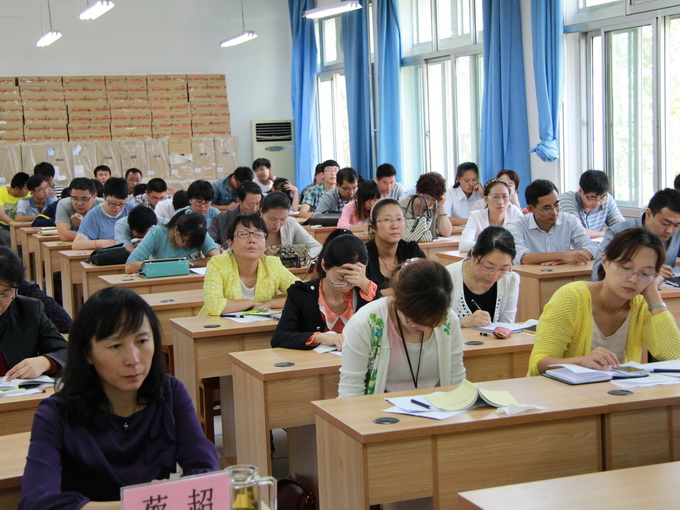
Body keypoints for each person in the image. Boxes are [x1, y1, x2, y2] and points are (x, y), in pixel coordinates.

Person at [19, 287, 219, 509]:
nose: (133, 359)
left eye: (142, 341)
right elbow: (36, 502)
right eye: (116, 346)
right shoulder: (56, 413)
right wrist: (139, 504)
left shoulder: (169, 392)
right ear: (87, 353)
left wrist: (168, 495)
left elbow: (206, 471)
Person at [528, 228, 680, 376]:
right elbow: (539, 363)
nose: (633, 279)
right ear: (605, 261)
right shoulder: (571, 297)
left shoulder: (641, 305)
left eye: (645, 273)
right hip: (562, 390)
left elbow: (675, 356)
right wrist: (580, 361)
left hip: (618, 389)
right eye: (626, 268)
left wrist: (653, 296)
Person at [339, 259, 465, 397]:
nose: (423, 329)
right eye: (414, 321)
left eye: (432, 323)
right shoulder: (365, 323)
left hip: (435, 405)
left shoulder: (448, 320)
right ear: (395, 297)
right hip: (380, 408)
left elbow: (456, 381)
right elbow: (351, 392)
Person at [271, 233, 378, 350]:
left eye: (353, 278)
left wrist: (366, 285)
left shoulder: (365, 291)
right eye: (341, 277)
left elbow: (386, 326)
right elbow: (279, 338)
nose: (346, 285)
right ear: (324, 265)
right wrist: (320, 337)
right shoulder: (302, 293)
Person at [200, 213, 298, 315]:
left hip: (259, 323)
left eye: (258, 235)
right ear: (230, 244)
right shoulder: (218, 264)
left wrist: (270, 304)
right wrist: (252, 303)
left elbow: (303, 294)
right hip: (217, 324)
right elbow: (214, 305)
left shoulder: (272, 265)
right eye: (243, 234)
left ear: (265, 245)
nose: (252, 240)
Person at [0, 247, 67, 380]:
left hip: (16, 391)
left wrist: (45, 362)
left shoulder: (30, 310)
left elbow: (65, 352)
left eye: (5, 294)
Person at [592, 188, 680, 281]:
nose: (670, 231)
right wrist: (648, 272)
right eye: (665, 223)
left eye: (676, 225)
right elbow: (597, 275)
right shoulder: (619, 233)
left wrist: (672, 272)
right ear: (649, 214)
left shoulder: (676, 232)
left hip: (663, 288)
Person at [507, 179, 597, 265]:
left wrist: (574, 257)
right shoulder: (516, 226)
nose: (554, 212)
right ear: (531, 209)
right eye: (547, 208)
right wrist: (561, 256)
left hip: (563, 272)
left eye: (556, 205)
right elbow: (520, 257)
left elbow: (592, 247)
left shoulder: (569, 220)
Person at [446, 226, 519, 327]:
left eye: (503, 269)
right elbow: (431, 326)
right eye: (488, 267)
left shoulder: (510, 280)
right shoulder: (446, 277)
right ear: (473, 255)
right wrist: (462, 322)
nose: (494, 276)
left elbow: (507, 326)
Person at [126, 211, 220, 273]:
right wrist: (172, 266)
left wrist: (189, 264)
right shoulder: (157, 234)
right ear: (176, 230)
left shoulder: (199, 232)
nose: (188, 247)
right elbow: (130, 266)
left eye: (193, 245)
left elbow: (217, 259)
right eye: (185, 242)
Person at [365, 198, 425, 291]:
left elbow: (428, 284)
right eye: (387, 220)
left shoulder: (412, 250)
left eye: (399, 219)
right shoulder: (362, 255)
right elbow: (360, 294)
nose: (395, 226)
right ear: (373, 227)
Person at [459, 179, 522, 252]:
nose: (501, 202)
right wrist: (496, 245)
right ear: (485, 199)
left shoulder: (514, 212)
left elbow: (524, 242)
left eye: (505, 197)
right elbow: (463, 245)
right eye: (495, 197)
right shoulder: (476, 216)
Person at [73, 177, 135, 250]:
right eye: (112, 203)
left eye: (121, 203)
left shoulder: (133, 209)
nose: (117, 207)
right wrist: (98, 243)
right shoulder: (94, 215)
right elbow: (76, 244)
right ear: (104, 196)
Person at [560, 170, 624, 239]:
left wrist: (618, 228)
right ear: (580, 191)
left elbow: (621, 227)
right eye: (593, 197)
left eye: (601, 197)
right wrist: (608, 233)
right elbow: (577, 232)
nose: (597, 202)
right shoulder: (567, 200)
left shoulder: (607, 199)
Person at [260, 192, 321, 259]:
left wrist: (298, 259)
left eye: (282, 219)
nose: (277, 224)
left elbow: (317, 247)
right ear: (261, 212)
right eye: (272, 219)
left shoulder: (290, 223)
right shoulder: (252, 227)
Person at [399, 172, 454, 239]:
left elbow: (446, 233)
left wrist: (441, 206)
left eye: (433, 199)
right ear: (417, 192)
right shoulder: (399, 207)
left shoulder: (436, 206)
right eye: (426, 198)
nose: (428, 203)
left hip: (430, 245)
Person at [209, 181, 263, 246]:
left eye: (257, 203)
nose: (254, 209)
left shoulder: (263, 219)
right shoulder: (221, 219)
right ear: (238, 201)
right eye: (250, 204)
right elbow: (209, 241)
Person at [55, 178, 104, 242]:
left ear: (94, 196)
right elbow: (64, 235)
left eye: (84, 199)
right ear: (70, 193)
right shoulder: (64, 204)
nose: (79, 203)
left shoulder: (102, 205)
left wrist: (83, 224)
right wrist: (93, 234)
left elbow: (108, 235)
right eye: (75, 198)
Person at [0, 171, 29, 243]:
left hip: (21, 225)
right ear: (17, 189)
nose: (28, 191)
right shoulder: (1, 193)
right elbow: (1, 214)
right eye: (26, 189)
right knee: (10, 238)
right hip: (3, 225)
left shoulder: (27, 195)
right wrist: (16, 226)